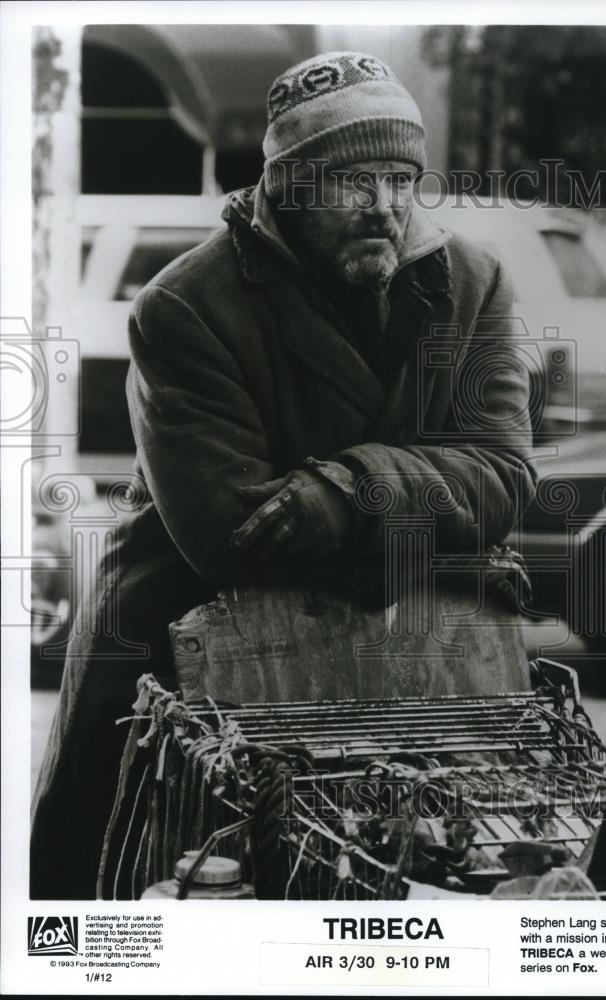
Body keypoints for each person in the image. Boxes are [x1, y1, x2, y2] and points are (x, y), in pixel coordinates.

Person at [30, 51, 537, 899]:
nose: (384, 205)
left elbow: (504, 475)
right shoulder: (184, 303)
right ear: (289, 186)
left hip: (403, 666)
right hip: (180, 652)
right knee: (153, 904)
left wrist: (344, 492)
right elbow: (232, 533)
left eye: (400, 179)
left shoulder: (473, 283)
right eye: (352, 181)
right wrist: (433, 534)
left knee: (397, 895)